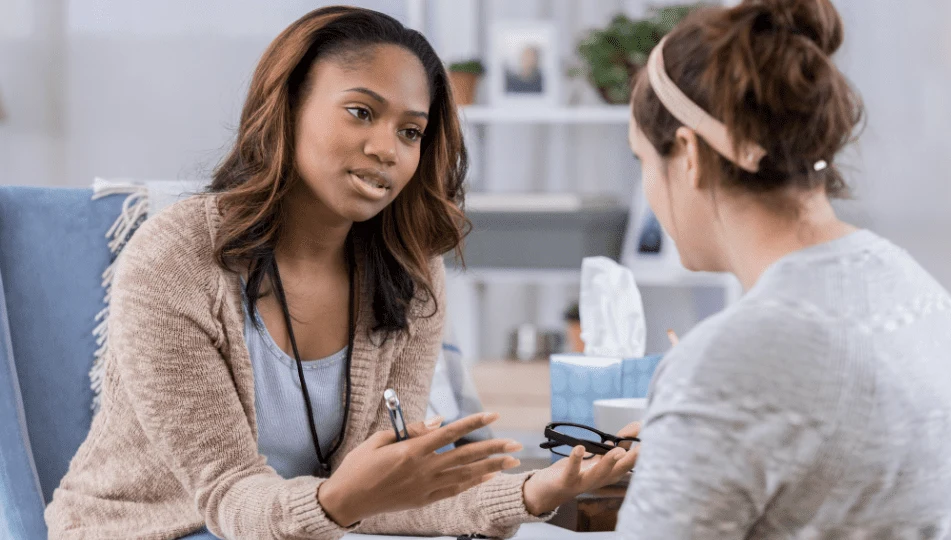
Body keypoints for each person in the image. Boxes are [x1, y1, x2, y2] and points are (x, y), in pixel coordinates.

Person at [45, 7, 637, 540]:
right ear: (289, 105)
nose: (389, 149)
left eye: (411, 132)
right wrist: (341, 499)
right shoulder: (176, 260)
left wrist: (534, 491)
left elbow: (380, 499)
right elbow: (228, 496)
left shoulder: (411, 271)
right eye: (361, 112)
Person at [617, 0, 951, 538]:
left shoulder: (732, 361)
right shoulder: (914, 289)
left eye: (643, 161)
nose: (648, 187)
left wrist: (707, 384)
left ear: (688, 155)